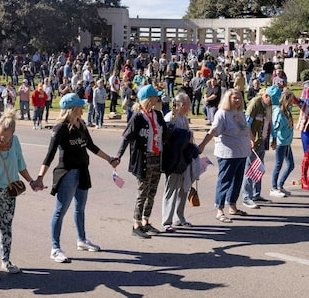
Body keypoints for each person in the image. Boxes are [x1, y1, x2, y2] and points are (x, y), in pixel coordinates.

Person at [37, 93, 119, 263]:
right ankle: (55, 248)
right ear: (72, 109)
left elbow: (91, 146)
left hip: (82, 171)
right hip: (67, 173)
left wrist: (109, 159)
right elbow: (50, 154)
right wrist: (40, 177)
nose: (83, 108)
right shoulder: (60, 128)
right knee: (60, 211)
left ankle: (81, 240)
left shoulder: (81, 124)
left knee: (80, 208)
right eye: (80, 106)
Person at [0, 110, 40, 280]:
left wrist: (32, 181)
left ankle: (6, 261)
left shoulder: (15, 142)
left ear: (13, 134)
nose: (1, 139)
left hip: (8, 190)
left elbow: (20, 164)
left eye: (5, 137)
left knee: (6, 226)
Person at [116, 85, 167, 239]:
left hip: (156, 158)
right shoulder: (138, 117)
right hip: (144, 159)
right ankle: (136, 224)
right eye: (154, 96)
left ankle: (146, 221)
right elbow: (126, 137)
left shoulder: (157, 114)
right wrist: (118, 156)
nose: (157, 99)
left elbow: (165, 134)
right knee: (142, 192)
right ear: (148, 99)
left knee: (152, 192)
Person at [197, 88, 253, 223]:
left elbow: (246, 127)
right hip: (227, 154)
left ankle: (232, 205)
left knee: (237, 180)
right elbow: (213, 130)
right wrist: (203, 145)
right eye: (235, 98)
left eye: (240, 98)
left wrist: (251, 139)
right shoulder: (222, 114)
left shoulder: (239, 113)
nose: (238, 100)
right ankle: (219, 209)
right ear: (228, 99)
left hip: (241, 152)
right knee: (225, 180)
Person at [161, 92, 199, 230]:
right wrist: (186, 136)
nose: (190, 107)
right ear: (182, 105)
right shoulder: (171, 117)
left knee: (183, 189)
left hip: (184, 158)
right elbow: (167, 137)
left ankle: (179, 218)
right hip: (173, 160)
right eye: (189, 104)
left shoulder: (183, 118)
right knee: (171, 190)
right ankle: (166, 221)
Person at [241, 86, 274, 209]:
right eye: (271, 99)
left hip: (261, 142)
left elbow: (267, 124)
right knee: (250, 169)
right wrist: (251, 139)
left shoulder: (267, 106)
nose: (272, 103)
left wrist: (272, 138)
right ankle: (246, 197)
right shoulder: (255, 103)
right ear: (266, 96)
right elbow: (246, 123)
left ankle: (256, 194)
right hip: (252, 142)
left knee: (258, 168)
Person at [269, 86, 295, 197]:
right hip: (280, 142)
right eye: (291, 99)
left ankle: (280, 185)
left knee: (291, 165)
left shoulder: (288, 110)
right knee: (278, 165)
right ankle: (273, 187)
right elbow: (275, 128)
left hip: (287, 142)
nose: (293, 101)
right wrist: (273, 140)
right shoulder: (279, 113)